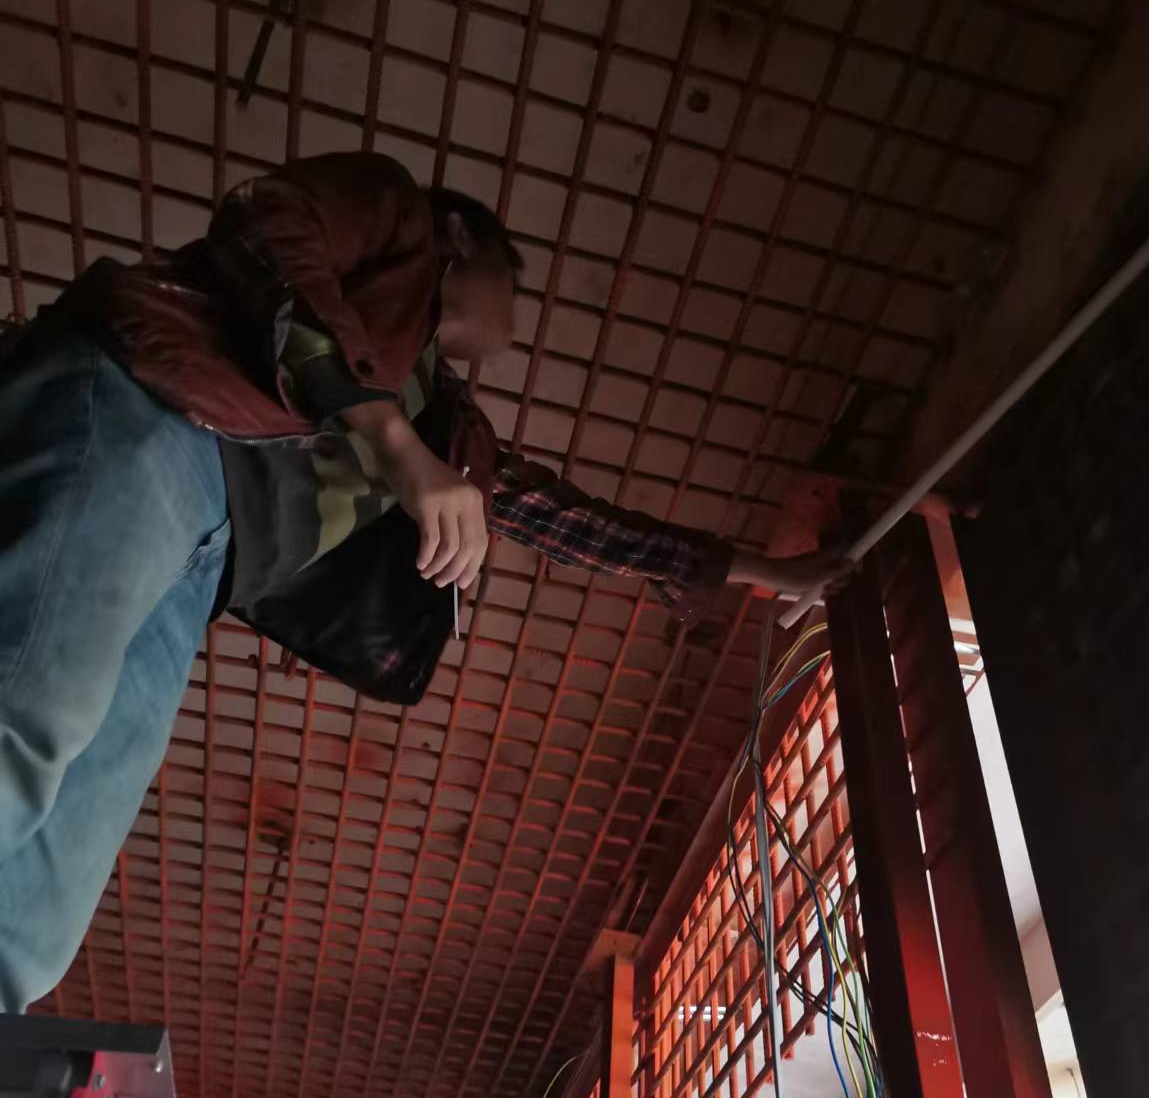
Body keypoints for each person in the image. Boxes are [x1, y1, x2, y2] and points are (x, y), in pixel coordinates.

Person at [0, 151, 848, 1012]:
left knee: (54, 884)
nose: (515, 311)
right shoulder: (396, 213)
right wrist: (392, 442)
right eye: (513, 280)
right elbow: (263, 227)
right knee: (25, 721)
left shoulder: (443, 420)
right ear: (461, 240)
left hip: (203, 563)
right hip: (151, 415)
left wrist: (771, 573)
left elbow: (584, 526)